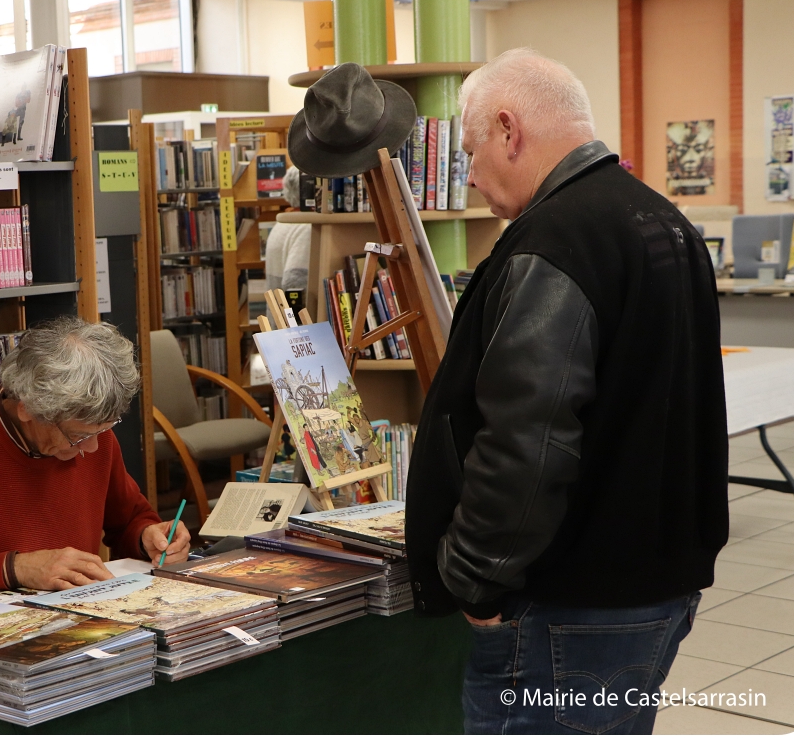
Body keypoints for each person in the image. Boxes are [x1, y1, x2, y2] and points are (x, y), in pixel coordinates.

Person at [394, 49, 727, 734]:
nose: (471, 174)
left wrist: (473, 577)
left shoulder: (552, 243)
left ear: (509, 131)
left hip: (569, 605)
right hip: (656, 585)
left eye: (470, 150)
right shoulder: (664, 221)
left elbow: (527, 440)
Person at [0, 317, 191, 592]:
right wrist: (14, 568)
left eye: (104, 429)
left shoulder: (94, 435)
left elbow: (128, 520)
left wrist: (148, 537)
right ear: (27, 409)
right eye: (77, 436)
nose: (93, 448)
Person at [264, 166, 311, 292]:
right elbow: (295, 283)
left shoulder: (280, 224)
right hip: (295, 311)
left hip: (277, 310)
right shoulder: (306, 227)